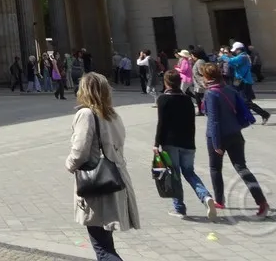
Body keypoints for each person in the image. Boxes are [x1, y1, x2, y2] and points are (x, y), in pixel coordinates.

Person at [64, 72, 140, 261]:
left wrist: (69, 164)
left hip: (96, 184)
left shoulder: (86, 114)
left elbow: (80, 150)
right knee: (106, 243)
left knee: (102, 248)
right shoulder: (113, 115)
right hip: (114, 179)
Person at [201, 61, 270, 217]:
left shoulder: (211, 93)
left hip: (217, 135)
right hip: (235, 134)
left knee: (215, 169)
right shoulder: (229, 89)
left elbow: (214, 120)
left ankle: (219, 200)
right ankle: (262, 202)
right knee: (242, 168)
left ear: (207, 77)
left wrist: (216, 142)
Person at [154, 70, 217, 219]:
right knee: (189, 172)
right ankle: (206, 197)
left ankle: (180, 208)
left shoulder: (163, 99)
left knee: (174, 174)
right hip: (188, 142)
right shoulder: (187, 99)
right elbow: (191, 123)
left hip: (170, 142)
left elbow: (161, 123)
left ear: (166, 83)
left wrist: (156, 143)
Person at [228, 42, 270, 123]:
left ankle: (263, 114)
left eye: (235, 50)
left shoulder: (243, 56)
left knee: (245, 101)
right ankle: (250, 118)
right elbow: (234, 65)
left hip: (244, 81)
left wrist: (223, 56)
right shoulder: (241, 56)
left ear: (239, 49)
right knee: (243, 100)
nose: (234, 52)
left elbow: (231, 61)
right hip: (239, 80)